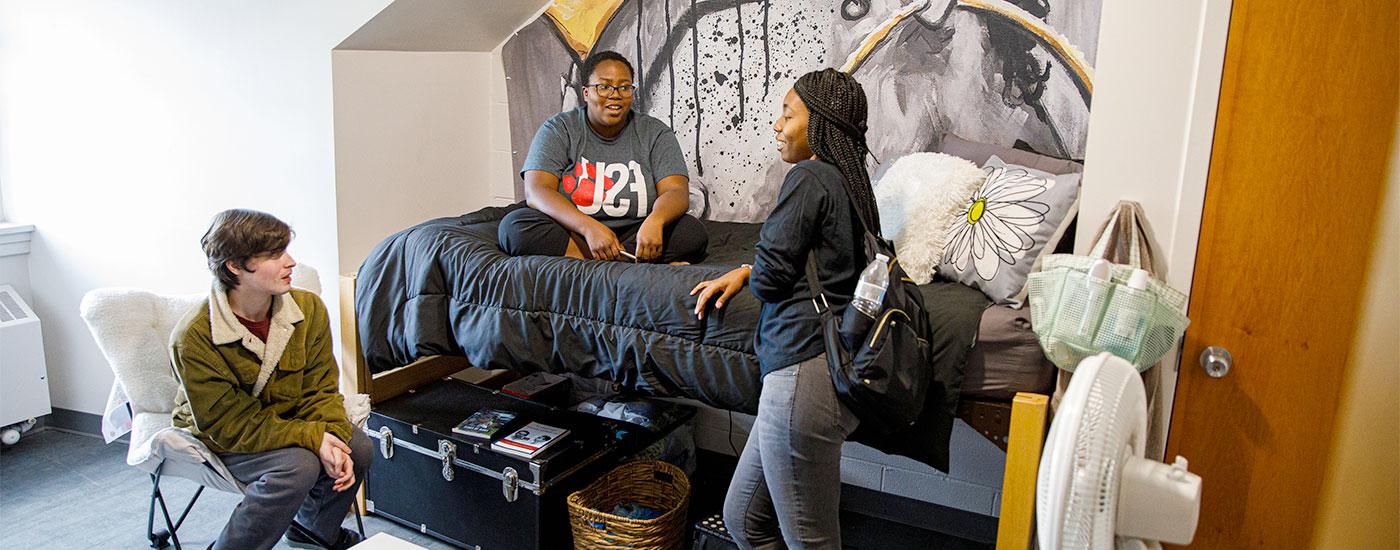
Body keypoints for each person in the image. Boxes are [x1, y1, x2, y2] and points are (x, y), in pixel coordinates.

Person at [690, 69, 881, 549]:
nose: (776, 124)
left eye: (787, 113)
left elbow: (775, 277)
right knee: (743, 520)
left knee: (811, 541)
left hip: (800, 378)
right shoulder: (849, 182)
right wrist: (745, 269)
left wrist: (759, 265)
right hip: (815, 371)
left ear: (818, 123)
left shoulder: (809, 176)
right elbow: (812, 261)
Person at [170, 209, 371, 550]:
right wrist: (312, 439)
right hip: (225, 434)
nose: (290, 262)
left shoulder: (308, 309)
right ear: (234, 266)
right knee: (297, 466)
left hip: (284, 419)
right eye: (275, 255)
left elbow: (320, 390)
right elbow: (229, 424)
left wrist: (332, 438)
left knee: (358, 447)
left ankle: (312, 534)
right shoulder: (194, 336)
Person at [499, 50, 708, 263]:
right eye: (604, 86)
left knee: (692, 233)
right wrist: (588, 227)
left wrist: (656, 220)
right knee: (515, 227)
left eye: (624, 87)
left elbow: (676, 191)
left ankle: (596, 263)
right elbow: (537, 190)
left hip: (637, 233)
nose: (615, 94)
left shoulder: (655, 133)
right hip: (575, 232)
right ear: (586, 92)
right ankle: (628, 264)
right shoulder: (559, 129)